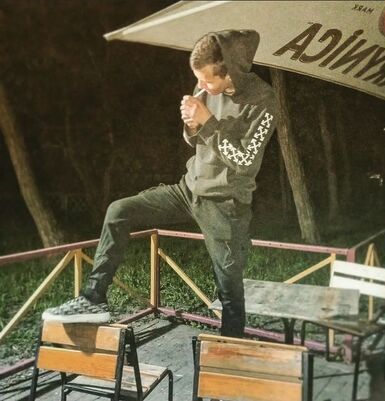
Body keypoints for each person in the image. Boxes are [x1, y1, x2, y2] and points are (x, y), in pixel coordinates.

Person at [42, 29, 277, 338]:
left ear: (230, 70)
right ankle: (93, 297)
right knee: (119, 211)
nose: (201, 86)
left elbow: (245, 161)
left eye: (207, 81)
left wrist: (207, 122)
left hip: (225, 204)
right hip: (188, 189)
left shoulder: (263, 101)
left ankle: (228, 349)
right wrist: (191, 125)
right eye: (198, 80)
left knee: (229, 291)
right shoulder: (205, 86)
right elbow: (194, 139)